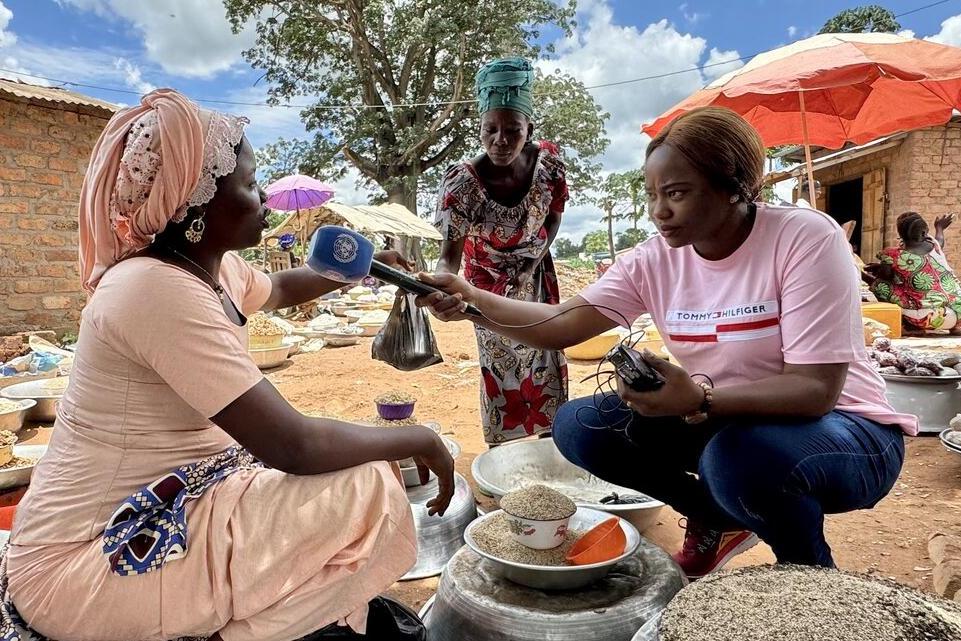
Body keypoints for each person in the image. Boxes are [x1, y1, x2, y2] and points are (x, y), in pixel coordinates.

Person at [4, 88, 454, 641]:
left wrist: (366, 265)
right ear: (195, 206)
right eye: (248, 183)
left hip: (168, 501)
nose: (262, 196)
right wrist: (419, 437)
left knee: (352, 484)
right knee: (366, 487)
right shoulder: (152, 290)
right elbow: (295, 446)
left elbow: (284, 286)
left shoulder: (208, 270)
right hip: (87, 559)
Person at [418, 106, 916, 580]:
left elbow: (815, 390)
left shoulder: (803, 238)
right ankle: (716, 518)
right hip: (727, 421)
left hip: (846, 430)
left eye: (677, 193)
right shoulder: (655, 260)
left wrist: (700, 399)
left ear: (735, 187)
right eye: (652, 194)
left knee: (737, 459)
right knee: (580, 425)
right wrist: (471, 301)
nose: (660, 211)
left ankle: (811, 578)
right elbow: (556, 324)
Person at [433, 57, 568, 446]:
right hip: (484, 287)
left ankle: (550, 443)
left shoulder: (550, 166)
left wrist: (533, 262)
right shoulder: (462, 184)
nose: (501, 140)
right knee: (501, 367)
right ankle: (502, 449)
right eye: (490, 130)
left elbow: (553, 220)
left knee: (545, 356)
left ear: (530, 129)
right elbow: (449, 256)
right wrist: (447, 286)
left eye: (513, 130)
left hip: (536, 274)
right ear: (479, 129)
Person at [867, 211, 961, 333]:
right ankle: (956, 327)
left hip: (928, 318)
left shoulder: (893, 254)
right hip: (958, 312)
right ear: (924, 233)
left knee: (880, 285)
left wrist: (870, 273)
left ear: (901, 234)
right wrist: (939, 227)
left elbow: (886, 276)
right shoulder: (935, 245)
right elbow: (940, 239)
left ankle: (908, 325)